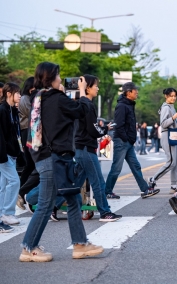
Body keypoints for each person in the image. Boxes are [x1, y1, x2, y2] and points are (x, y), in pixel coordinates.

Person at [20, 62, 103, 262]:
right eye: (58, 75)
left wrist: (65, 94)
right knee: (46, 204)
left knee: (73, 199)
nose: (61, 78)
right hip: (53, 157)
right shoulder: (56, 99)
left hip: (48, 155)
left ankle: (80, 244)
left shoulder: (40, 97)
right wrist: (82, 92)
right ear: (51, 78)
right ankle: (28, 248)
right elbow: (81, 110)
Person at [51, 75, 122, 223]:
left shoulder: (79, 104)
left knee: (76, 182)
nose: (98, 88)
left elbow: (88, 126)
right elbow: (92, 130)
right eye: (95, 85)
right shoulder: (87, 105)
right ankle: (105, 212)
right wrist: (104, 131)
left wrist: (102, 128)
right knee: (98, 181)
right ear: (87, 88)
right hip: (86, 148)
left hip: (80, 147)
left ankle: (53, 207)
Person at [104, 82, 159, 200]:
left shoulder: (128, 104)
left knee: (136, 166)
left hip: (127, 143)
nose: (137, 93)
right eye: (135, 91)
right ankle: (107, 191)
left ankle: (145, 189)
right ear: (128, 93)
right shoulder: (122, 106)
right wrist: (127, 138)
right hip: (122, 141)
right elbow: (119, 125)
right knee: (116, 168)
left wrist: (130, 140)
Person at [149, 88, 177, 194]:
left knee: (176, 163)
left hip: (173, 135)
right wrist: (174, 117)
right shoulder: (166, 108)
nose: (173, 98)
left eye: (174, 96)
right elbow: (163, 124)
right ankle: (153, 179)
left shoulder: (171, 107)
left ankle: (174, 186)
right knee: (171, 162)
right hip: (167, 135)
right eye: (171, 96)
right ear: (166, 96)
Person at [0, 83, 23, 227]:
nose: (20, 96)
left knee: (4, 185)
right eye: (17, 93)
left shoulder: (13, 111)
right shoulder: (2, 110)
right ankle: (7, 213)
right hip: (4, 154)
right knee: (14, 181)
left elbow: (16, 134)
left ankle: (3, 213)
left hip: (12, 153)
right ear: (9, 94)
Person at [17, 77, 35, 210]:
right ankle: (21, 192)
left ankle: (21, 192)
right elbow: (33, 115)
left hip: (29, 131)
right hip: (26, 132)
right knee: (30, 164)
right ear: (31, 87)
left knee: (30, 164)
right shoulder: (24, 99)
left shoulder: (27, 98)